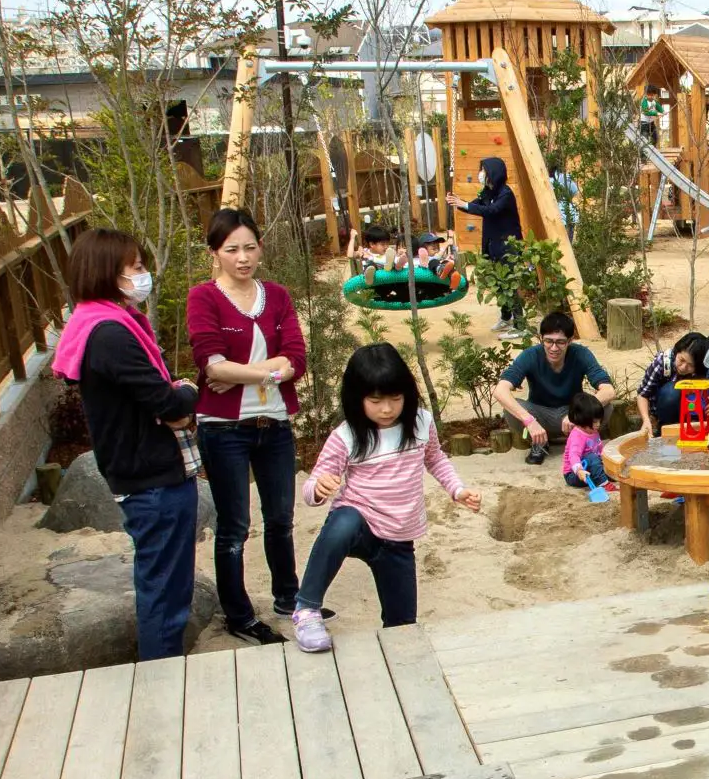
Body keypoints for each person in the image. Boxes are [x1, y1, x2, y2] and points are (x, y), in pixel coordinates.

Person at [54, 227, 200, 662]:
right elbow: (168, 404)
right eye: (135, 267)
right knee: (164, 595)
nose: (144, 275)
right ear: (106, 274)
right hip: (151, 479)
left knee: (169, 588)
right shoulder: (110, 335)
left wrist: (176, 395)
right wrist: (187, 392)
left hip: (149, 475)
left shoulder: (105, 324)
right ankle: (163, 677)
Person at [295, 343, 478, 653]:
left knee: (403, 627)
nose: (387, 409)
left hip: (399, 539)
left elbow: (435, 459)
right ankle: (307, 609)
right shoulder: (347, 435)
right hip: (362, 525)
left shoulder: (421, 422)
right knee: (343, 521)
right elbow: (312, 485)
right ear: (357, 398)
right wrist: (318, 488)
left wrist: (457, 489)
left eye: (395, 398)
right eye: (375, 400)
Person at [186, 208, 305, 648]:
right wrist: (273, 370)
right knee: (234, 524)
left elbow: (297, 359)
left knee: (281, 518)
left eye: (250, 247)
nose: (243, 257)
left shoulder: (276, 296)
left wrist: (247, 372)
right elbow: (210, 363)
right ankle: (238, 614)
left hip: (273, 424)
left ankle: (288, 597)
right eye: (231, 249)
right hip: (223, 428)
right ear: (215, 253)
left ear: (261, 248)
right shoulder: (204, 297)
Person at [494, 312, 614, 465]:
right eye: (548, 341)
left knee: (607, 407)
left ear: (570, 341)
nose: (554, 348)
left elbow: (608, 390)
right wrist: (529, 420)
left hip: (572, 415)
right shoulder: (530, 355)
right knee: (510, 409)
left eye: (561, 342)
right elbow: (500, 390)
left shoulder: (581, 354)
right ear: (541, 338)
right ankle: (539, 442)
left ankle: (579, 440)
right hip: (539, 414)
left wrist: (576, 414)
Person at [451, 156, 524, 336]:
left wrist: (464, 204)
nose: (481, 174)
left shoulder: (505, 194)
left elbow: (491, 211)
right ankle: (506, 318)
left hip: (508, 248)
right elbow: (474, 206)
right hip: (493, 246)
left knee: (510, 285)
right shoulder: (487, 192)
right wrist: (456, 202)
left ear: (493, 173)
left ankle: (520, 326)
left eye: (483, 170)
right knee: (500, 285)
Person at [559, 392, 610, 495]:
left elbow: (599, 449)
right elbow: (573, 455)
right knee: (591, 457)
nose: (598, 425)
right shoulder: (577, 435)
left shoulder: (592, 430)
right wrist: (579, 471)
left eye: (599, 421)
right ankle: (604, 484)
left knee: (603, 460)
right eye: (595, 422)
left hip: (592, 467)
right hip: (575, 474)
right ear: (582, 420)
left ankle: (603, 477)